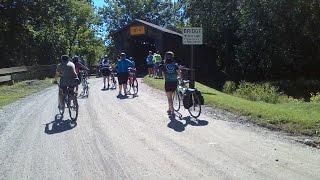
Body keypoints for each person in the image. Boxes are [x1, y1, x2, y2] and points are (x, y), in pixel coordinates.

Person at [161, 51, 181, 116]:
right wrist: (178, 77)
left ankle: (172, 111)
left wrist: (167, 77)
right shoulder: (175, 65)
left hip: (168, 82)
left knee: (169, 98)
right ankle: (169, 109)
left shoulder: (164, 66)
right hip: (174, 82)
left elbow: (163, 77)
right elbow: (180, 73)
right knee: (171, 96)